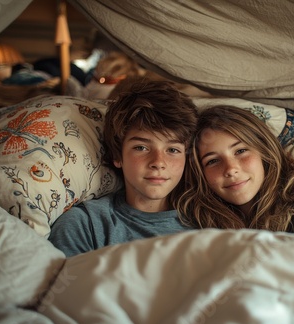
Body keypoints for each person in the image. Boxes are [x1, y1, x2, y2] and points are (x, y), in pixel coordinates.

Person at [49, 80, 199, 257]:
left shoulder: (206, 220)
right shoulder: (86, 224)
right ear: (118, 155)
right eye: (141, 148)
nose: (158, 162)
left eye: (173, 150)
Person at [177, 105, 294, 233]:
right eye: (213, 161)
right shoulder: (195, 229)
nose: (231, 169)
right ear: (200, 174)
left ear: (265, 152)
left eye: (241, 151)